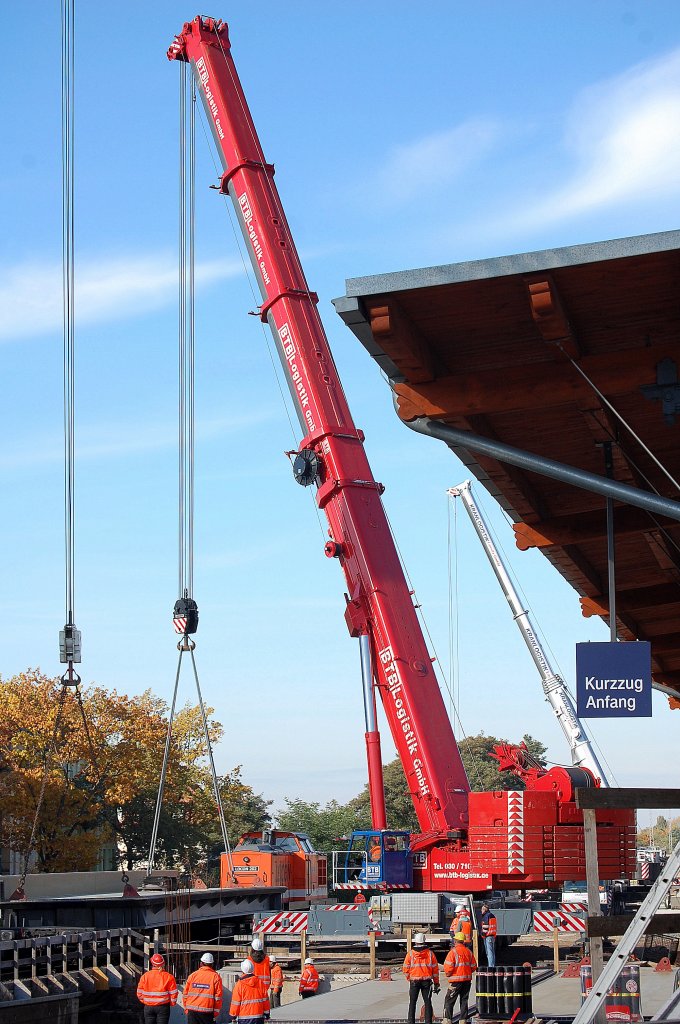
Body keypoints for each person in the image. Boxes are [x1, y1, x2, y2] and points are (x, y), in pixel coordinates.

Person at [403, 932, 440, 1024]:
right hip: (427, 982)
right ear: (424, 941)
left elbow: (405, 969)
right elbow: (435, 970)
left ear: (415, 942)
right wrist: (436, 983)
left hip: (414, 981)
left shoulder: (410, 954)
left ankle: (410, 1021)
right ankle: (428, 1021)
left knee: (412, 1003)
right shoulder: (430, 954)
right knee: (428, 1003)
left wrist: (410, 978)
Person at [443, 931, 477, 1023]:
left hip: (455, 981)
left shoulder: (453, 952)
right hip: (466, 980)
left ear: (456, 941)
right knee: (464, 1000)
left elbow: (448, 968)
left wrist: (448, 974)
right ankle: (463, 1019)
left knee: (449, 1000)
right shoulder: (468, 952)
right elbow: (474, 966)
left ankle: (447, 1019)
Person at [137, 953, 178, 1024]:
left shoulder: (145, 976)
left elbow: (139, 993)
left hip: (148, 1007)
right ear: (163, 964)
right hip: (163, 1007)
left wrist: (146, 1001)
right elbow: (173, 993)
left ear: (152, 963)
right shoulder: (169, 977)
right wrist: (171, 1003)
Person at [183, 951, 223, 1022]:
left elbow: (185, 994)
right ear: (212, 964)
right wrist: (216, 1011)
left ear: (201, 963)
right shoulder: (215, 977)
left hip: (192, 1011)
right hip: (207, 1011)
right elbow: (218, 997)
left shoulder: (192, 976)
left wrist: (186, 1008)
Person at [229, 958, 270, 1024]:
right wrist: (267, 1014)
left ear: (242, 970)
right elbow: (265, 1000)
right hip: (258, 1018)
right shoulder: (260, 982)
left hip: (244, 1018)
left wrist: (233, 1016)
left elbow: (235, 1002)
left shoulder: (239, 985)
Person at [479, 903, 497, 967]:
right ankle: (492, 965)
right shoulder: (492, 915)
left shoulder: (486, 916)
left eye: (482, 909)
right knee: (492, 952)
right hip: (492, 936)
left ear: (485, 910)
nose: (481, 911)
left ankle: (491, 966)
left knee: (489, 953)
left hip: (488, 936)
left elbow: (485, 927)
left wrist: (482, 935)